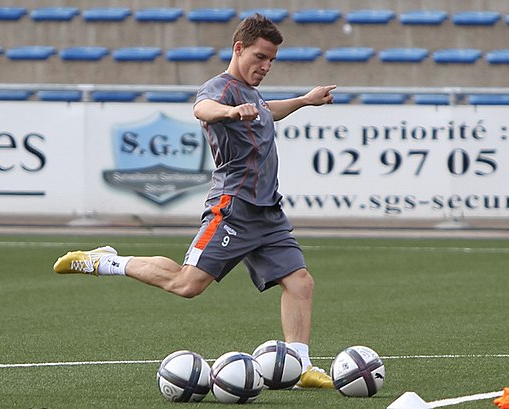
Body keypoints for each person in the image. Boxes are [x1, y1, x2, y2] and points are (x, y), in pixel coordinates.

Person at [53, 13, 336, 389]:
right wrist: (230, 112)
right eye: (260, 57)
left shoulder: (253, 96)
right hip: (233, 207)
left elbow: (268, 112)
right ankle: (106, 261)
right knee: (187, 285)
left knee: (300, 281)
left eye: (271, 60)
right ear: (239, 49)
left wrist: (303, 100)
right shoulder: (220, 89)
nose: (266, 66)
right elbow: (202, 109)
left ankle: (300, 366)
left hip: (268, 211)